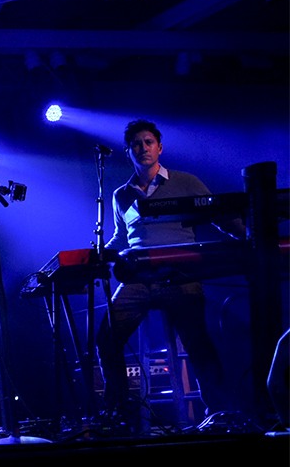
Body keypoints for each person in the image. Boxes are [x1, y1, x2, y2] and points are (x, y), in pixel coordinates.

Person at [97, 119, 241, 421]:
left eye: (148, 142)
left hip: (179, 273)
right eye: (137, 143)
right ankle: (121, 411)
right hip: (138, 275)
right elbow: (121, 237)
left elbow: (219, 214)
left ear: (159, 147)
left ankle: (220, 412)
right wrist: (101, 252)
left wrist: (247, 237)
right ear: (129, 152)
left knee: (197, 341)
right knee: (106, 338)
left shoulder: (186, 181)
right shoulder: (121, 195)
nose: (143, 148)